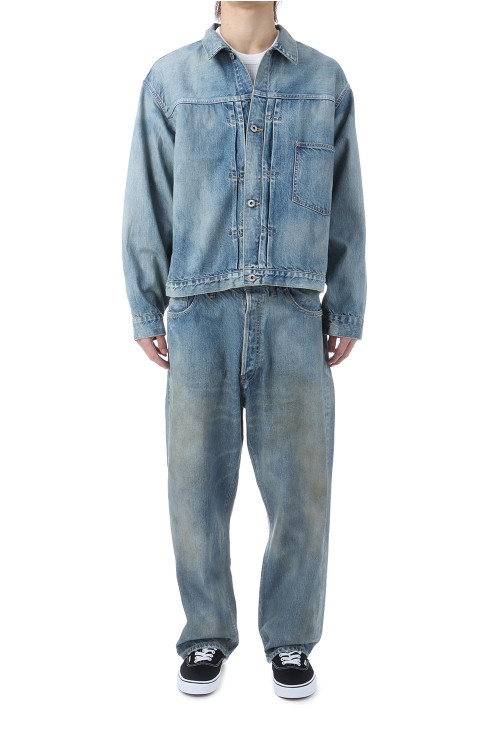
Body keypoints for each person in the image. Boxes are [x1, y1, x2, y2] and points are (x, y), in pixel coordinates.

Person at [121, 0, 366, 699]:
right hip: (199, 309)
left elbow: (348, 201)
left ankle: (291, 639)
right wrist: (146, 302)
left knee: (302, 489)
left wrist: (347, 302)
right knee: (194, 484)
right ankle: (205, 630)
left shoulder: (325, 79)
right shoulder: (171, 80)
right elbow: (148, 194)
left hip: (295, 309)